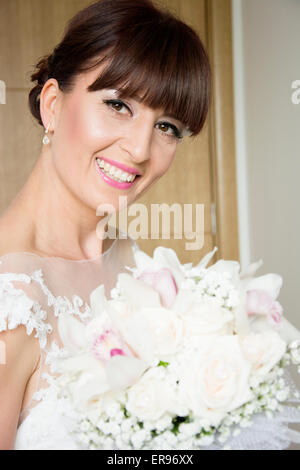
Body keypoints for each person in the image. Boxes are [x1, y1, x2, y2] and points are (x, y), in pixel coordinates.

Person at [0, 0, 210, 449]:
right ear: (53, 105)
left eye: (168, 126)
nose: (139, 150)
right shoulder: (10, 300)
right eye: (118, 104)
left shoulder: (141, 265)